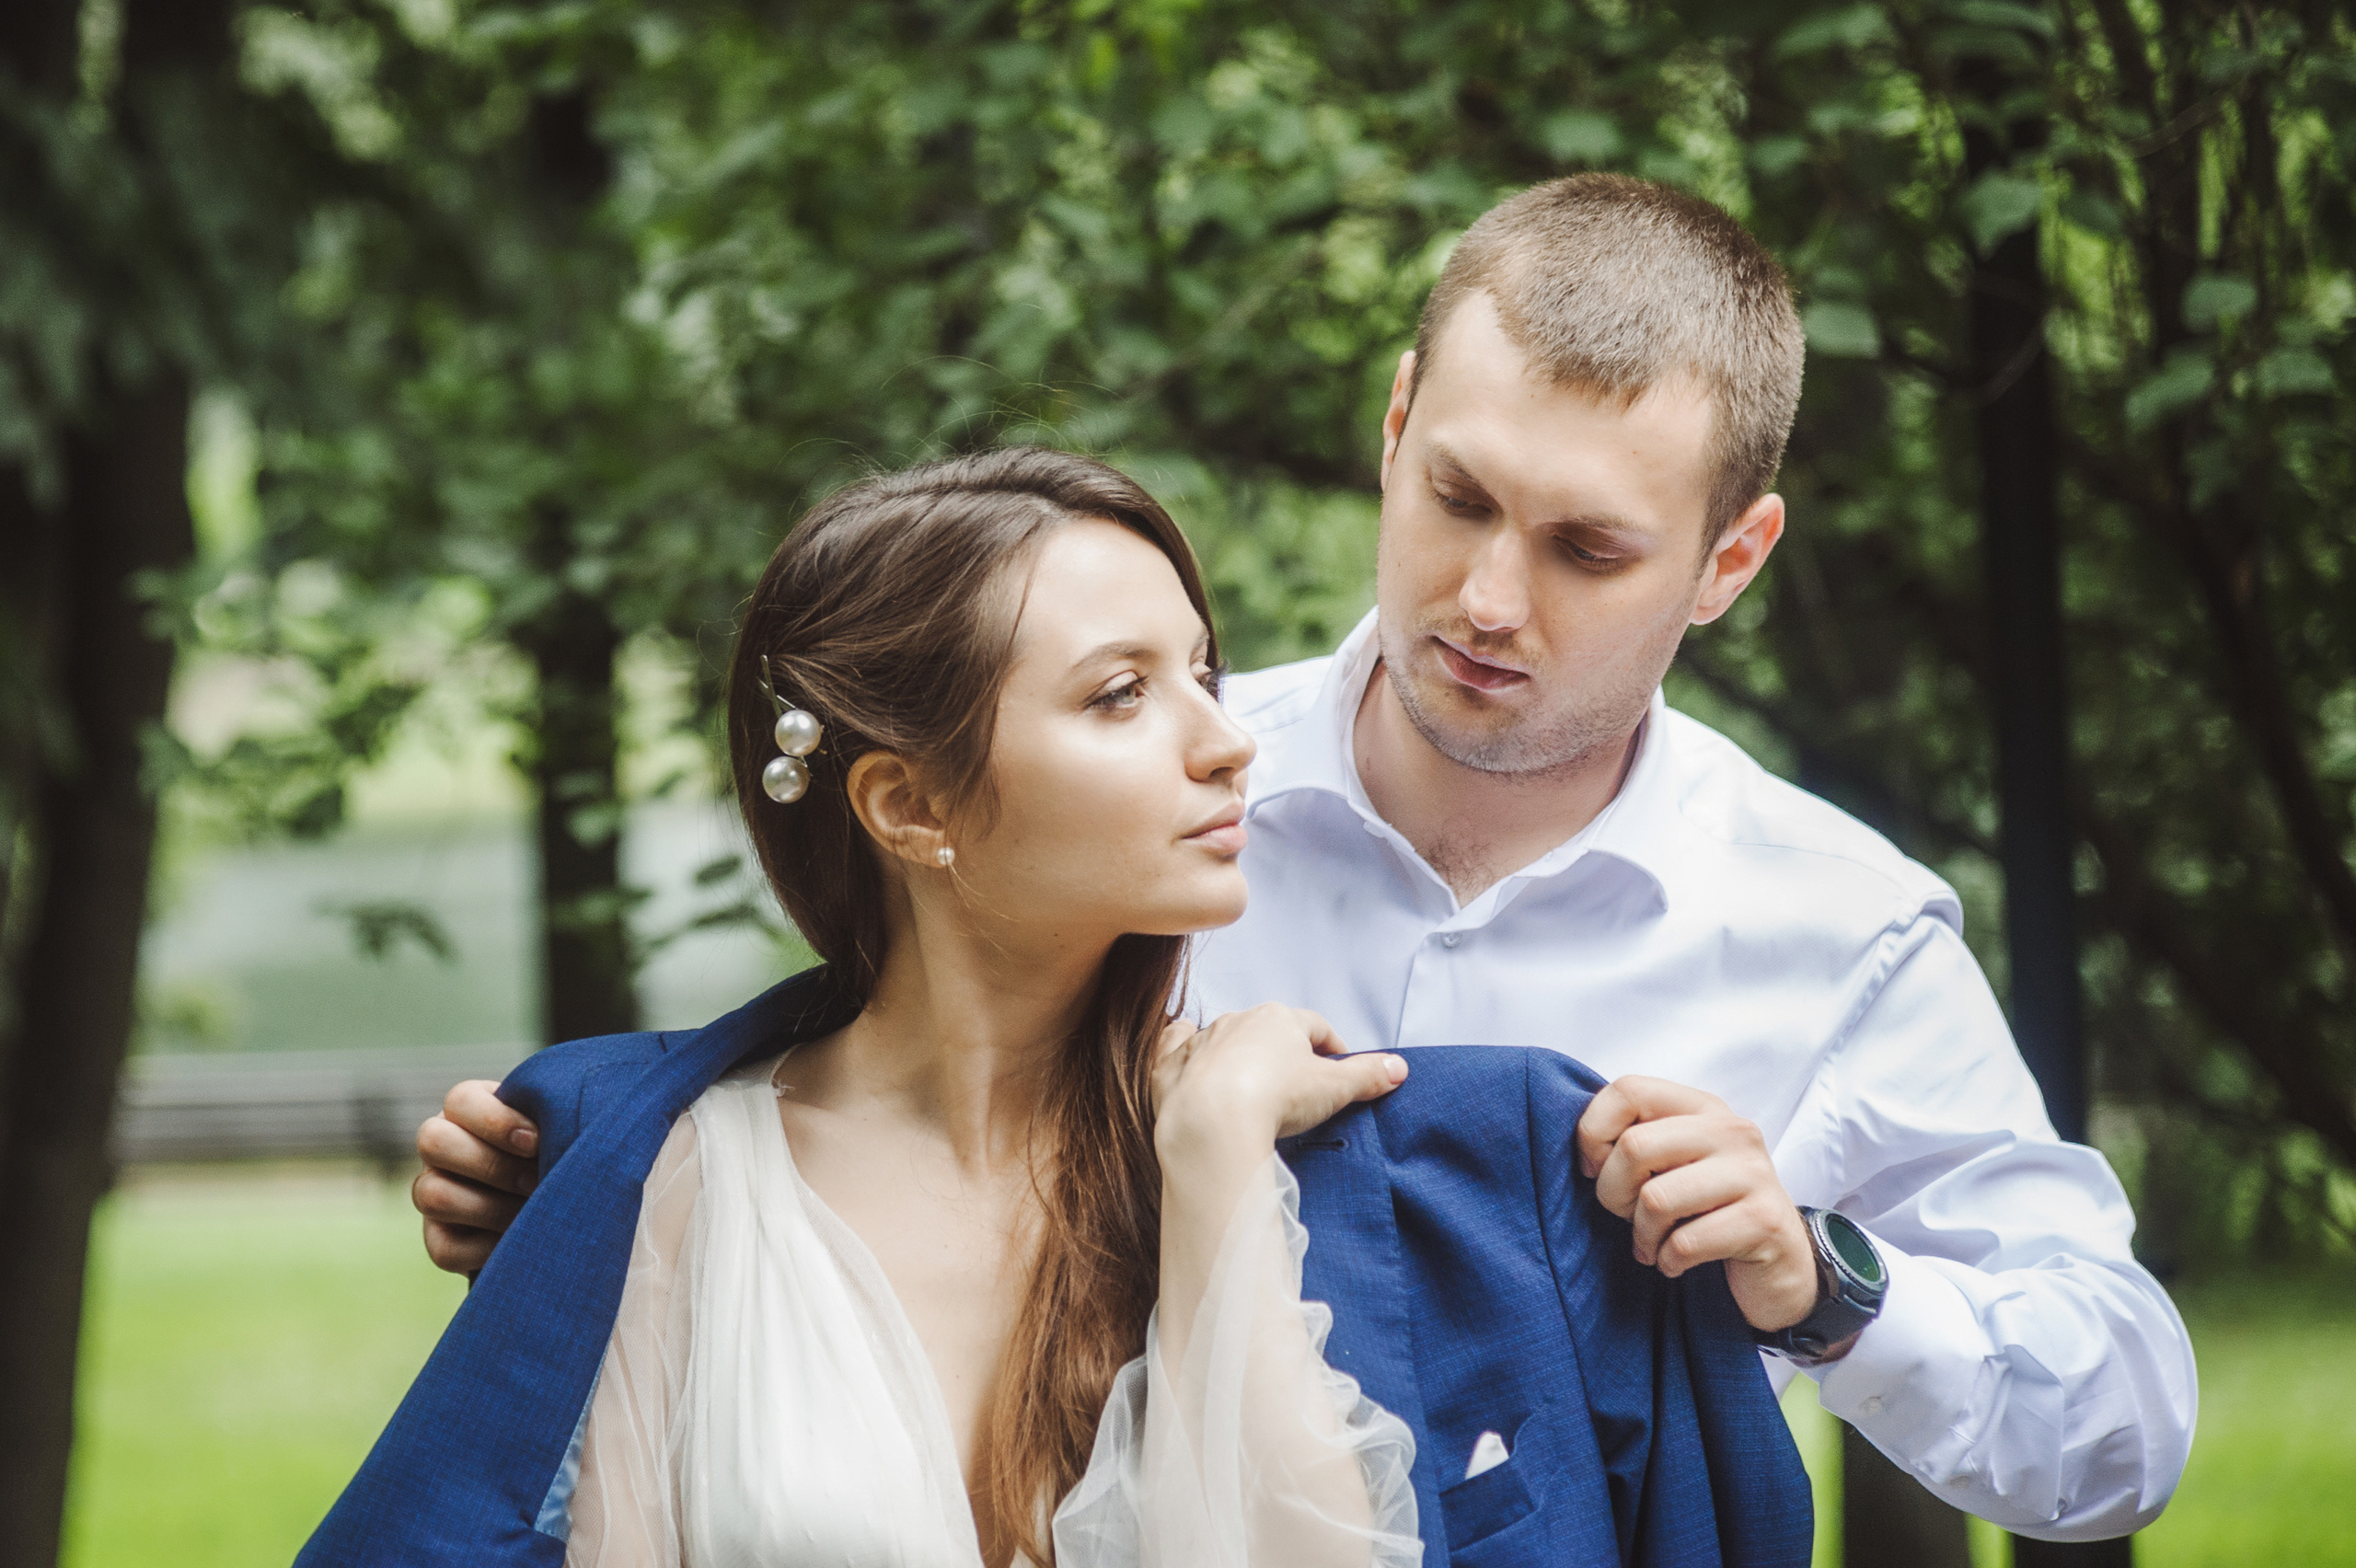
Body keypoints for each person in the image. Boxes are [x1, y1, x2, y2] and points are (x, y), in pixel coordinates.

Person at [415, 176, 2198, 1542]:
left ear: (1726, 563)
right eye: (1458, 500)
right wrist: (593, 1180)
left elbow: (2117, 1420)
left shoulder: (1835, 933)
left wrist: (1823, 1285)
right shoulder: (1139, 795)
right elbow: (885, 1078)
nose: (1489, 601)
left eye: (1586, 548)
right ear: (1395, 419)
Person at [309, 448, 1814, 1568]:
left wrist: (1218, 1161)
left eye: (1204, 673)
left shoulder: (1311, 1154)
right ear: (910, 805)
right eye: (1120, 694)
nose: (1227, 742)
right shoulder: (680, 1183)